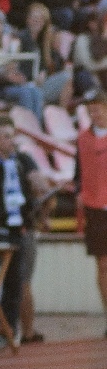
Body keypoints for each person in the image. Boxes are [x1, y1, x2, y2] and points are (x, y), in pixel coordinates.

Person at [0, 115, 53, 342]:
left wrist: (41, 199)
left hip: (22, 227)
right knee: (9, 280)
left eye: (12, 136)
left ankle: (21, 331)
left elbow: (41, 185)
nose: (11, 141)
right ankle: (7, 329)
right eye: (6, 137)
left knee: (21, 280)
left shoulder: (22, 160)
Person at [75, 88, 107, 335]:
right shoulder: (83, 139)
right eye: (90, 110)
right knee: (103, 265)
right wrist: (80, 192)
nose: (94, 114)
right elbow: (78, 172)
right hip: (95, 209)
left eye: (97, 109)